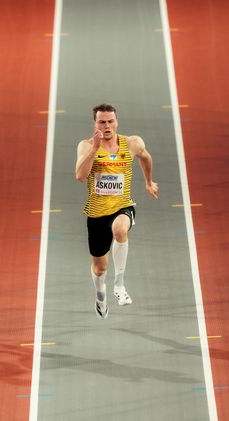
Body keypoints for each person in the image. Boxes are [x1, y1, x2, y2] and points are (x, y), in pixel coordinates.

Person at [75, 103, 158, 319]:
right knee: (100, 268)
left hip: (123, 206)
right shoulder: (86, 146)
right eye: (102, 122)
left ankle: (119, 285)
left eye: (110, 121)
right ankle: (100, 292)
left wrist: (148, 182)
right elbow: (80, 175)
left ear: (117, 121)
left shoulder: (132, 143)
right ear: (95, 124)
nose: (107, 126)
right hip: (96, 213)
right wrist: (94, 149)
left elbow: (146, 157)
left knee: (121, 228)